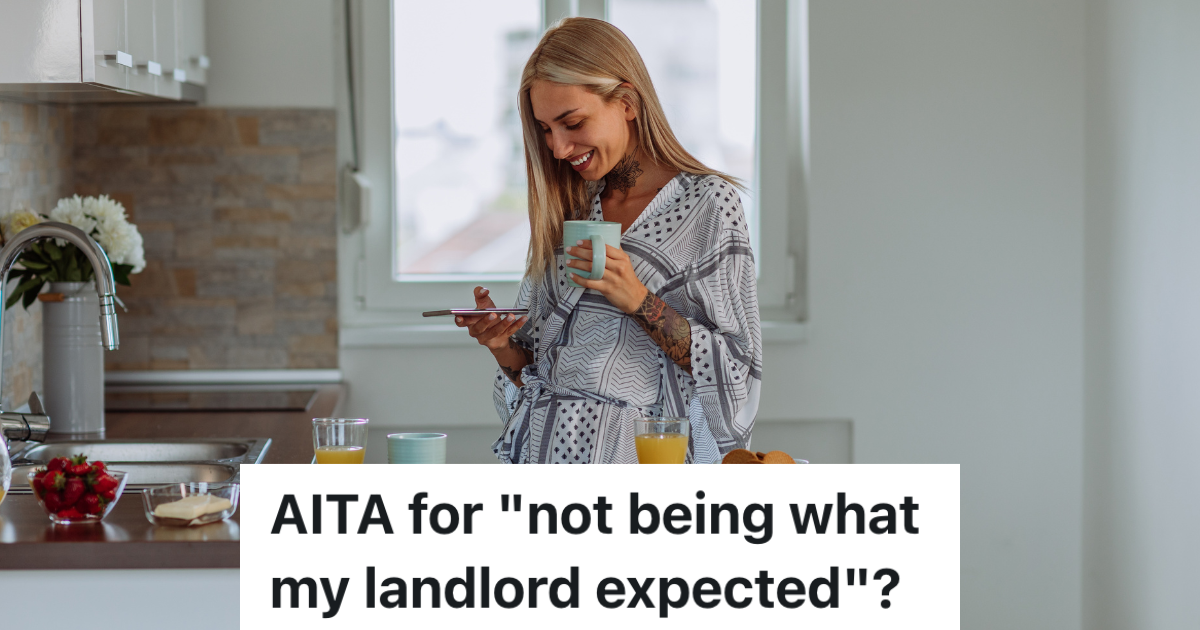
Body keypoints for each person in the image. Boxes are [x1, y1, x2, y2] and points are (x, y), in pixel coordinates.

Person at [455, 17, 761, 464]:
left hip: (646, 457)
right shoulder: (571, 206)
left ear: (627, 103)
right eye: (545, 129)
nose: (558, 148)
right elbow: (538, 370)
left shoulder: (708, 203)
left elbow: (735, 368)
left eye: (572, 122)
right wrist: (502, 344)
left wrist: (636, 297)